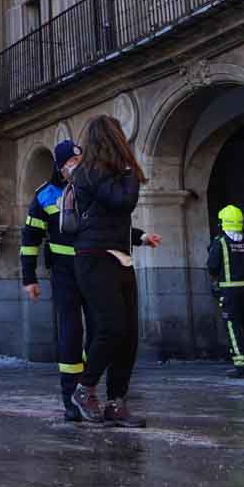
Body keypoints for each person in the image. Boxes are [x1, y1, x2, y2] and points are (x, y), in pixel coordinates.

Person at [23, 138, 161, 421]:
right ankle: (71, 400)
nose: (74, 167)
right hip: (64, 273)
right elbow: (30, 240)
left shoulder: (90, 186)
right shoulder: (45, 196)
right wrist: (29, 278)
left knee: (102, 329)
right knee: (71, 333)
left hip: (95, 267)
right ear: (59, 167)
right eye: (69, 163)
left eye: (78, 161)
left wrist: (141, 237)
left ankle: (95, 395)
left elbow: (105, 225)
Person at [68, 113, 149, 428]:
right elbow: (123, 202)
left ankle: (117, 402)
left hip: (119, 257)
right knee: (112, 326)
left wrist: (139, 237)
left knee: (128, 334)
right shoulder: (90, 172)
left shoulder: (108, 173)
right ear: (112, 139)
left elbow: (113, 217)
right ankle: (85, 388)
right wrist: (130, 170)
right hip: (94, 258)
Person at [206, 205, 244, 378]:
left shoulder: (221, 242)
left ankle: (243, 367)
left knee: (235, 328)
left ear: (223, 223)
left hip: (230, 294)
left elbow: (212, 267)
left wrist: (211, 251)